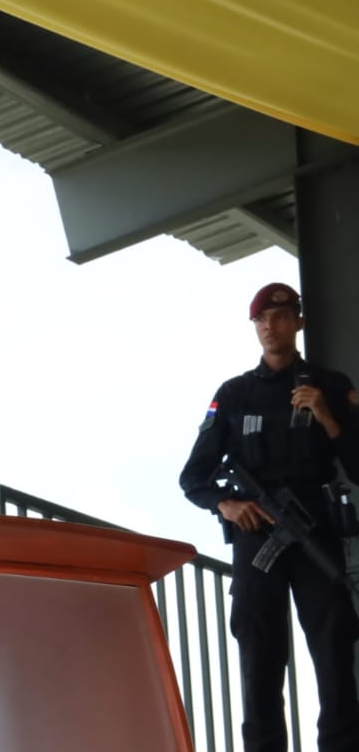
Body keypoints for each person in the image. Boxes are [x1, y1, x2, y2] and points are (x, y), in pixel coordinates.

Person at [179, 282, 359, 752]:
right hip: (257, 532)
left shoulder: (332, 386)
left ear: (298, 321)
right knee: (260, 655)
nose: (269, 327)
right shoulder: (235, 394)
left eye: (279, 317)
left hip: (315, 528)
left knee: (334, 649)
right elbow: (193, 478)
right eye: (261, 319)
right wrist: (228, 504)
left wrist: (328, 416)